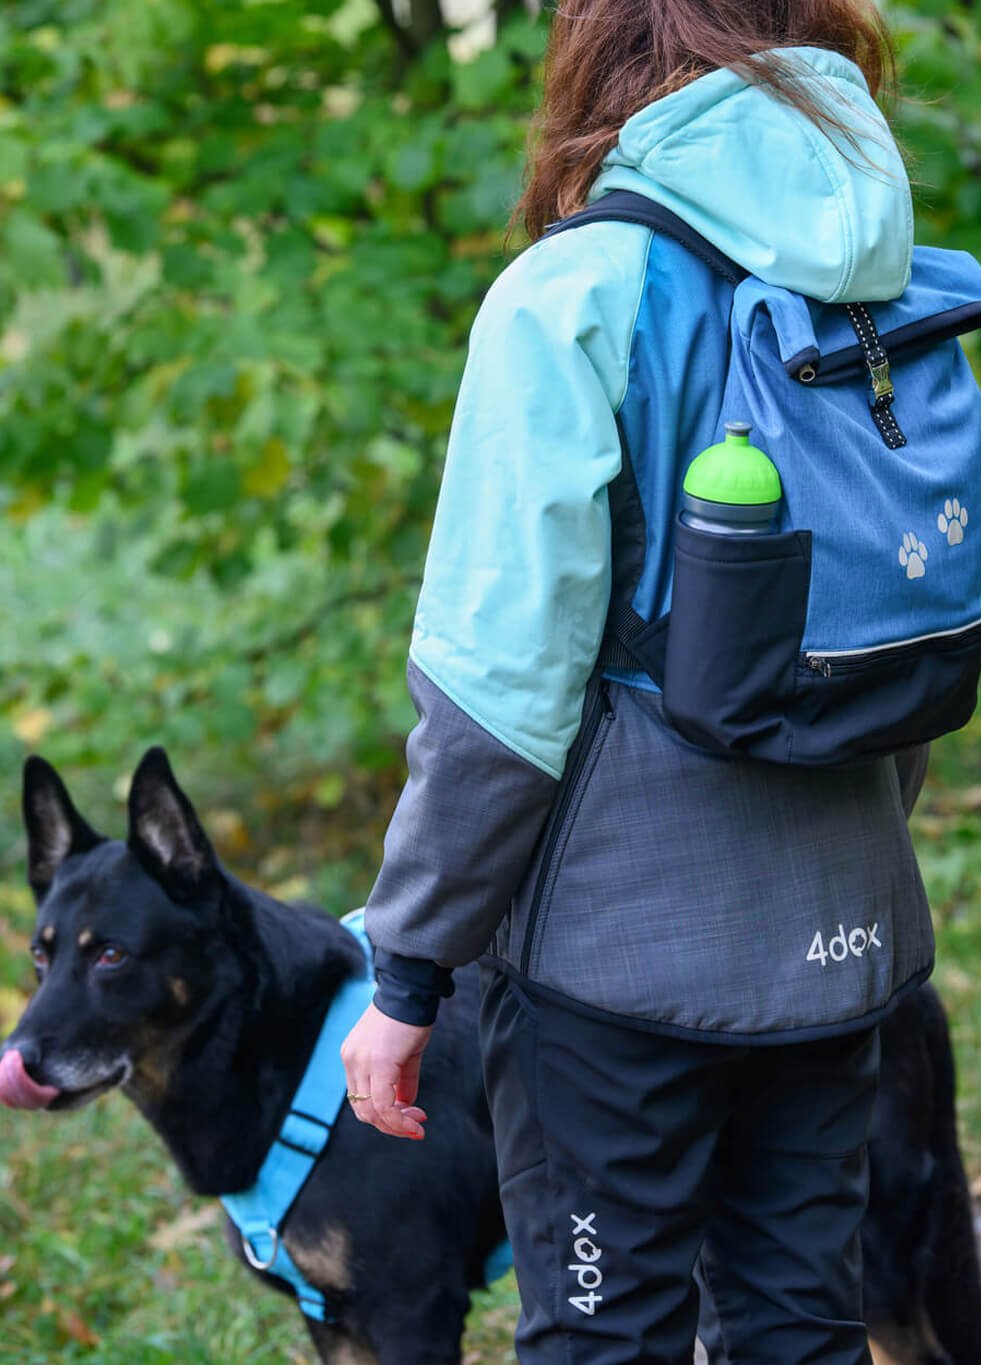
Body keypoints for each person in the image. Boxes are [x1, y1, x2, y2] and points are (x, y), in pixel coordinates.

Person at [342, 3, 936, 1361]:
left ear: (598, 59)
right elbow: (904, 635)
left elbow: (499, 698)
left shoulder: (575, 296)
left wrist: (409, 969)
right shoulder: (890, 281)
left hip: (618, 968)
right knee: (800, 1325)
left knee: (608, 1337)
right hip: (840, 923)